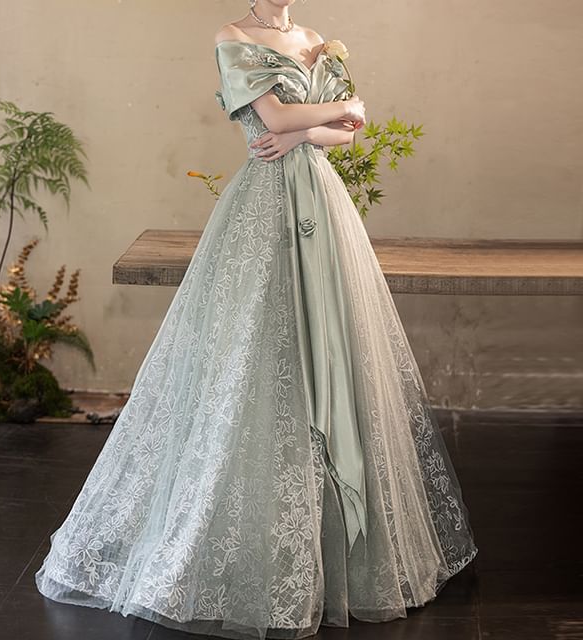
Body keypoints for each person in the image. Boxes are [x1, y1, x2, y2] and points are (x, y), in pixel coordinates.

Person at [35, 1, 479, 639]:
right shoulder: (233, 36)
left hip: (322, 203)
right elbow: (276, 117)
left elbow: (349, 134)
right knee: (255, 353)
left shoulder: (316, 38)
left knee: (332, 349)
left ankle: (334, 542)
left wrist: (311, 131)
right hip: (264, 205)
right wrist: (336, 111)